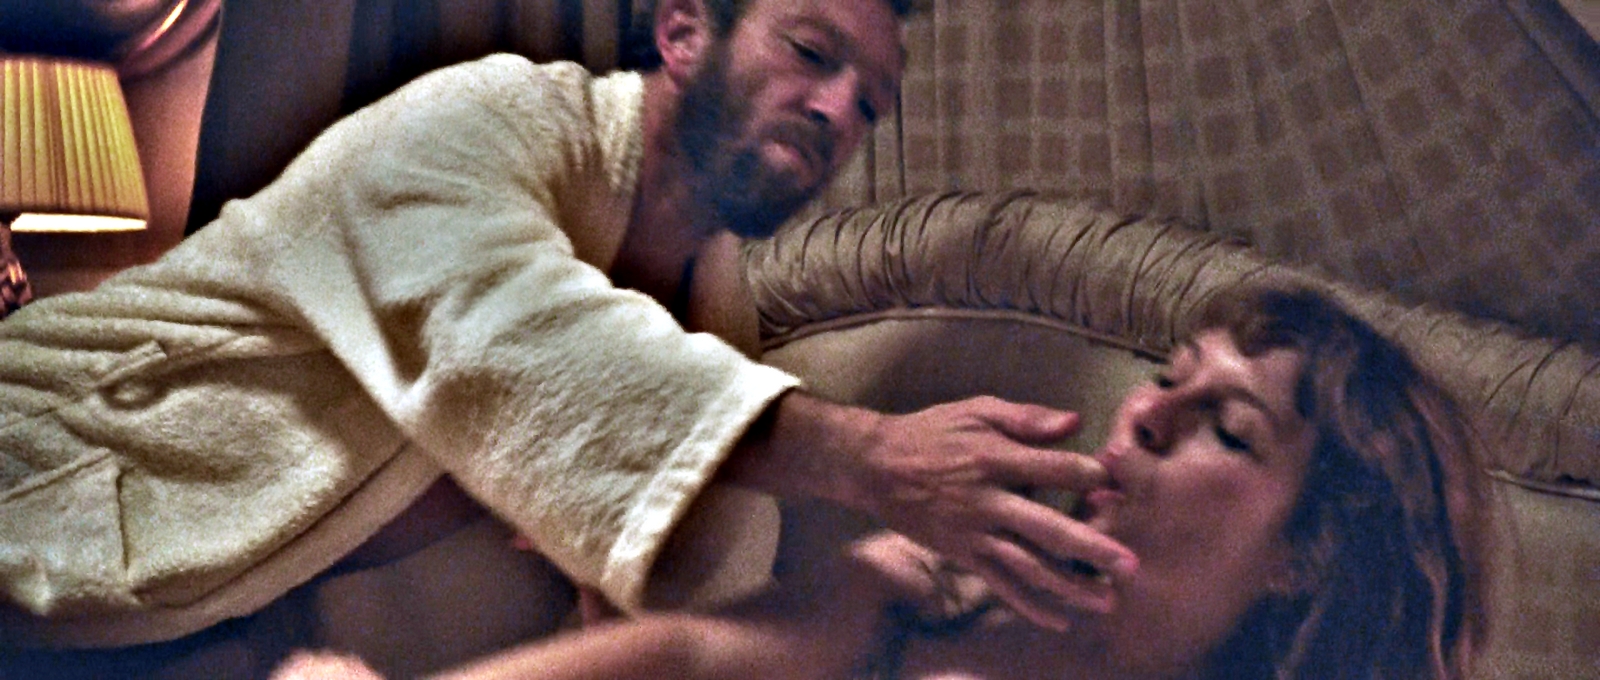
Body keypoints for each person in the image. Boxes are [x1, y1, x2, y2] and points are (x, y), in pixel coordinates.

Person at [0, 0, 1133, 675]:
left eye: (871, 102)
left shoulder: (712, 306)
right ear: (683, 31)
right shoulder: (481, 121)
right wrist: (878, 456)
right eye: (809, 51)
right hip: (41, 479)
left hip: (213, 620)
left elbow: (677, 579)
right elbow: (513, 334)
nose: (839, 112)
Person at [273, 285, 1492, 680]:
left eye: (1226, 427)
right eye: (1167, 375)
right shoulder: (935, 590)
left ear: (1308, 552)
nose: (1147, 410)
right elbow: (692, 657)